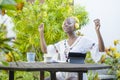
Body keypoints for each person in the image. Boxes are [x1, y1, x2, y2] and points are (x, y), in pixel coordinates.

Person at [38, 17, 105, 80]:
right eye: (64, 24)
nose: (66, 25)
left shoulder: (83, 40)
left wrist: (97, 31)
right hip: (62, 76)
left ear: (75, 26)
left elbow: (101, 49)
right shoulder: (62, 44)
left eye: (69, 23)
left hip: (78, 76)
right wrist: (41, 33)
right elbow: (45, 50)